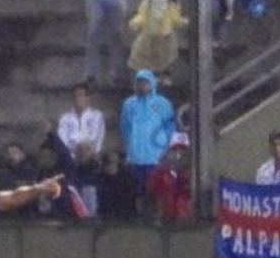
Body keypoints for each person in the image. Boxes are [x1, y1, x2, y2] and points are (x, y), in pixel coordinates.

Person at [119, 70, 175, 210]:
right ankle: (140, 218)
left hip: (156, 156)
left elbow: (170, 127)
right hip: (136, 157)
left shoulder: (163, 103)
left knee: (156, 191)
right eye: (139, 82)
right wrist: (129, 149)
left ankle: (157, 218)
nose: (142, 85)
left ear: (152, 83)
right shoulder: (129, 104)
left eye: (145, 82)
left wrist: (166, 149)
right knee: (137, 191)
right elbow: (124, 128)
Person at [127, 0, 188, 81]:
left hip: (165, 35)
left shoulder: (170, 2)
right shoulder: (148, 1)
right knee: (147, 57)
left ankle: (165, 77)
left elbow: (174, 16)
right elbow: (142, 14)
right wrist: (136, 22)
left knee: (164, 58)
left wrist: (182, 21)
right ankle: (150, 77)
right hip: (149, 34)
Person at [146, 132, 192, 221]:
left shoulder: (191, 164)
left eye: (182, 148)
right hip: (166, 191)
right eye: (176, 148)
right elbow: (153, 187)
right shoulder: (160, 170)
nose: (179, 152)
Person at [57, 81, 106, 157]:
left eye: (81, 95)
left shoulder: (97, 116)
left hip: (90, 159)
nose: (77, 99)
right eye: (74, 96)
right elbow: (63, 141)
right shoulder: (65, 118)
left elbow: (94, 139)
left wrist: (74, 142)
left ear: (88, 98)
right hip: (70, 159)